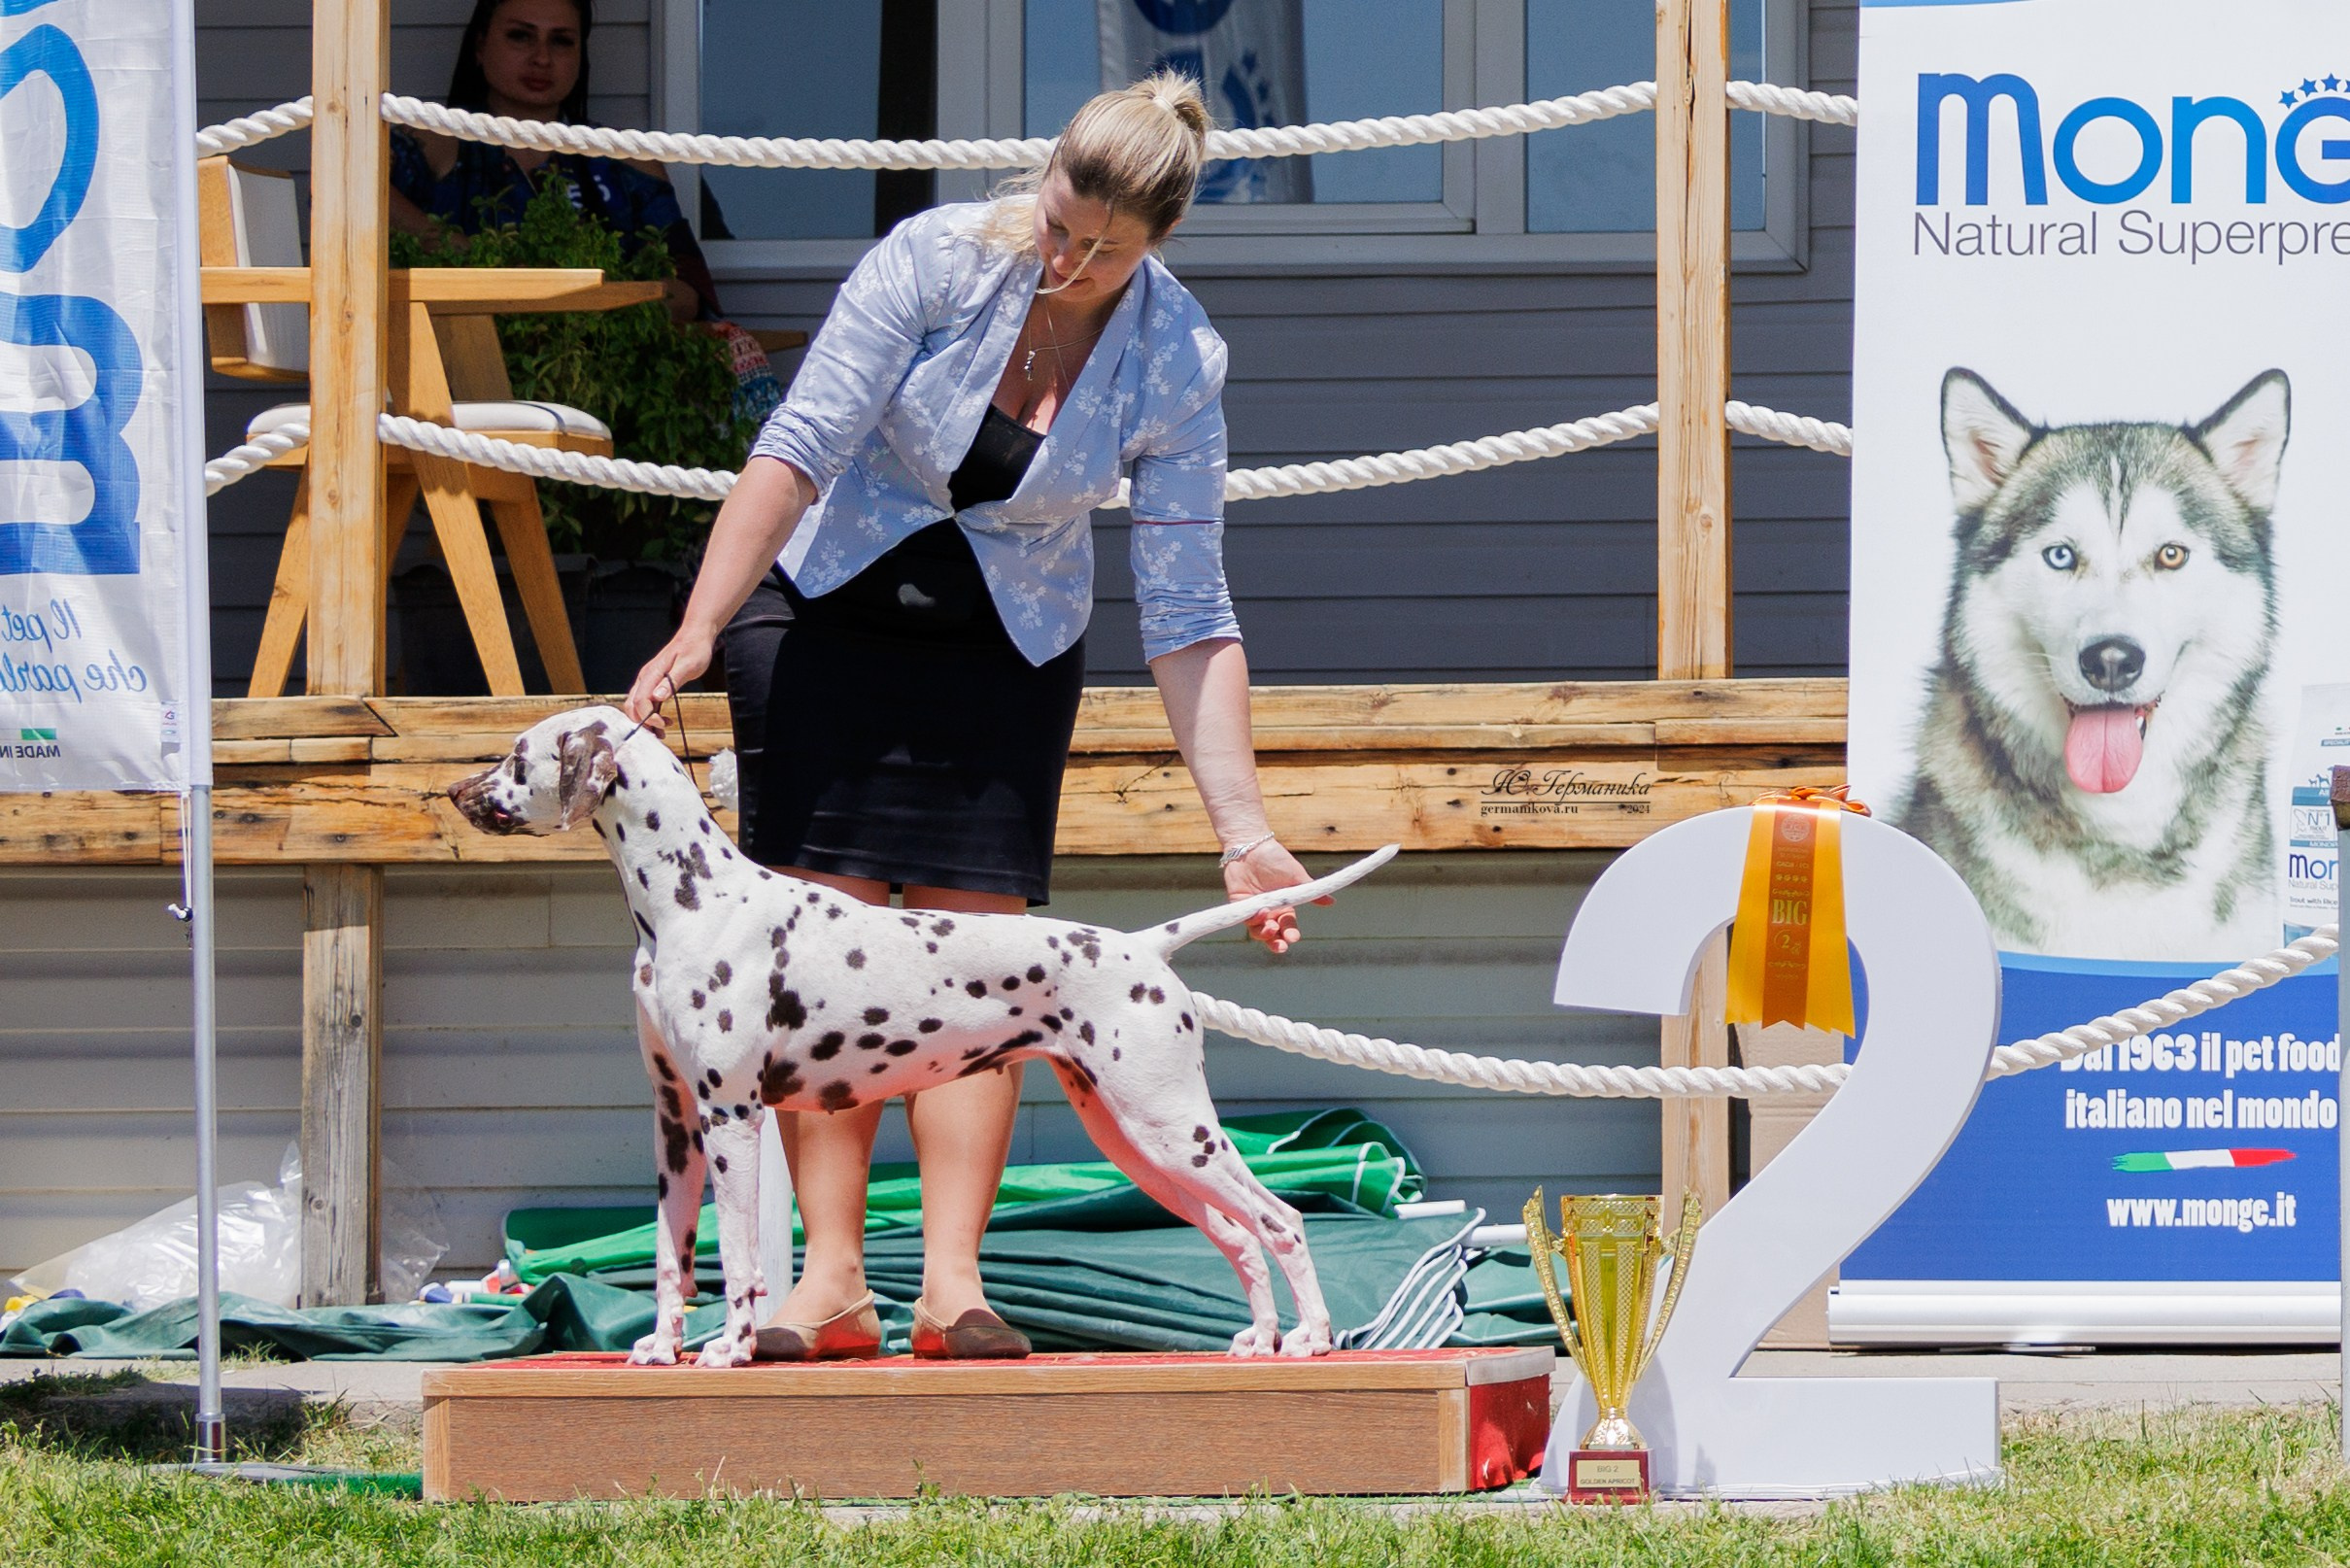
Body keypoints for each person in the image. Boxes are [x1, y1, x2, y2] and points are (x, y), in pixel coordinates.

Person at [622, 71, 1323, 1362]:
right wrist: (701, 622)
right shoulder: (931, 260)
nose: (1065, 258)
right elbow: (800, 442)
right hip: (826, 603)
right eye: (1059, 222)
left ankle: (955, 1281)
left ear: (1155, 245)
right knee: (814, 951)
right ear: (1046, 172)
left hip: (1005, 634)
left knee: (984, 960)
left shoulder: (1178, 356)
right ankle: (827, 1277)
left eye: (1102, 253)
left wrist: (1244, 828)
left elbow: (1185, 605)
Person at [391, 0, 782, 418]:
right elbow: (346, 196)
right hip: (466, 382)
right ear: (480, 47)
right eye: (520, 36)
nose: (542, 58)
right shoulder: (432, 142)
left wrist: (593, 303)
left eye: (562, 42)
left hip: (617, 381)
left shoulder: (627, 159)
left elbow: (688, 291)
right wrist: (454, 247)